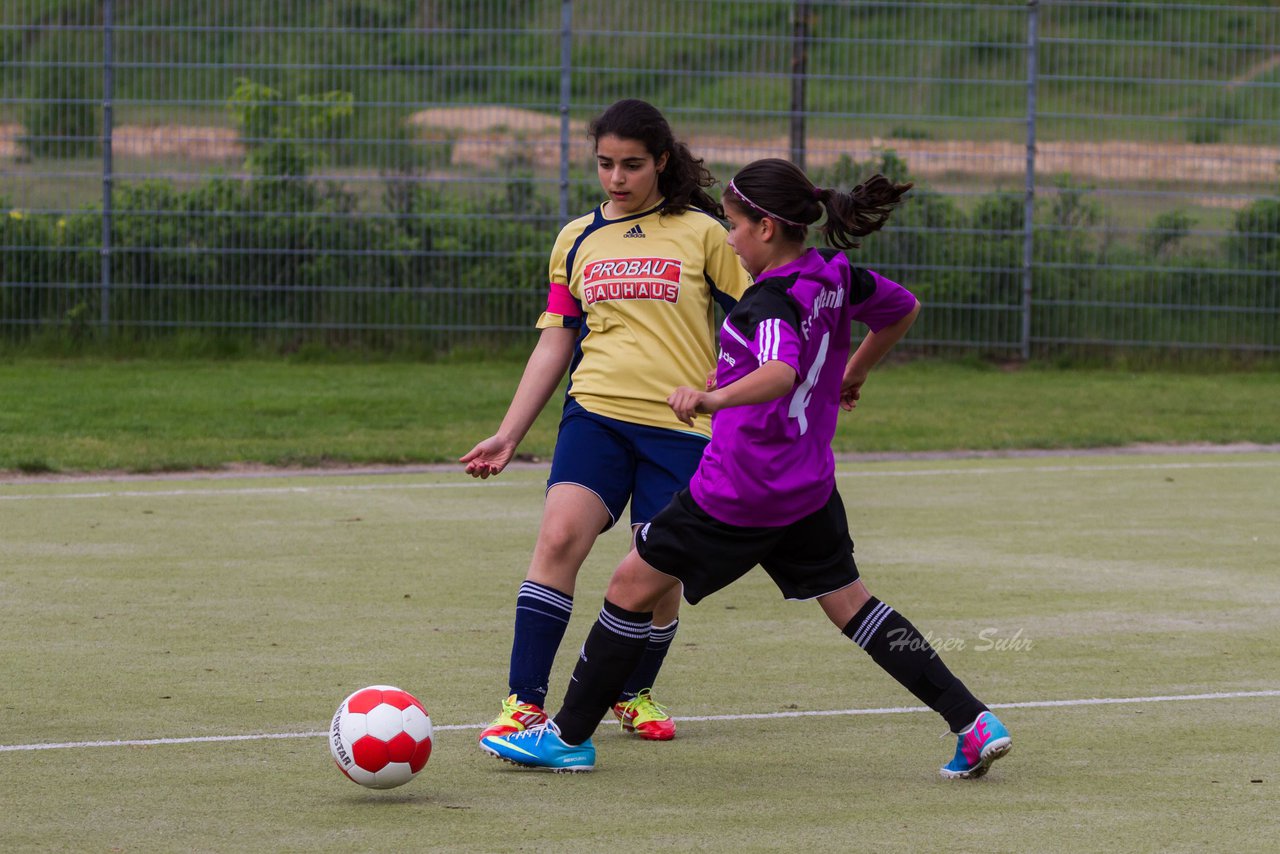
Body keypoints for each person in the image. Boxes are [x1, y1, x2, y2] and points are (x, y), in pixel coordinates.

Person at [479, 157, 1013, 779]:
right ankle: (971, 720)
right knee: (854, 605)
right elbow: (901, 309)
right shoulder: (834, 275)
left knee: (627, 589)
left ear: (765, 227)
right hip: (806, 486)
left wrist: (714, 397)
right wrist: (855, 371)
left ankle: (567, 737)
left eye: (732, 225)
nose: (727, 237)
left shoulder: (767, 302)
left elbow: (780, 370)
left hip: (740, 488)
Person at [460, 99, 753, 743]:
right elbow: (556, 342)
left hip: (682, 430)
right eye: (605, 164)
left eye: (632, 165)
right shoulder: (576, 238)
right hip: (595, 414)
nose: (617, 178)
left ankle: (633, 691)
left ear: (662, 162)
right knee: (560, 539)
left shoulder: (704, 232)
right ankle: (524, 704)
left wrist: (731, 386)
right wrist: (510, 432)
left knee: (658, 572)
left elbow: (752, 318)